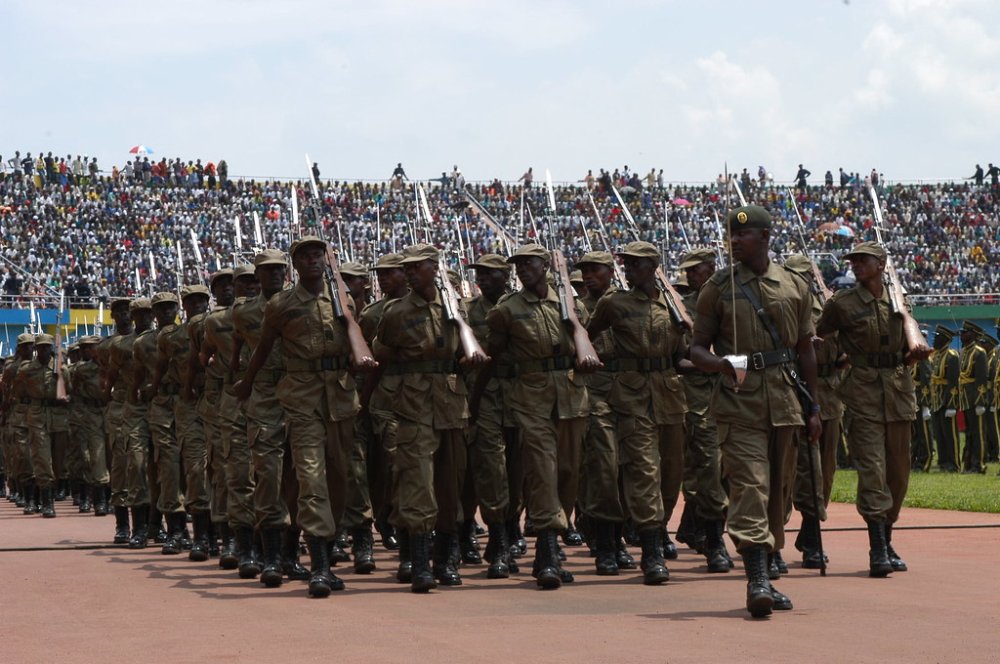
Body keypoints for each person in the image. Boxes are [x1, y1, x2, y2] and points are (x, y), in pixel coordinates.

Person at [690, 205, 820, 618]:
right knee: (750, 486)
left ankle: (768, 568)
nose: (733, 240)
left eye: (742, 234)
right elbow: (696, 348)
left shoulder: (794, 285)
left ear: (764, 237)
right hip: (738, 402)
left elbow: (805, 350)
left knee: (778, 492)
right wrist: (719, 365)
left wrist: (814, 406)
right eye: (730, 234)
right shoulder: (718, 287)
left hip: (784, 401)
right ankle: (757, 580)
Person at [235, 235, 375, 598]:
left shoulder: (343, 301)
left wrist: (358, 356)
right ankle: (319, 566)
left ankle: (327, 548)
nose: (312, 260)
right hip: (301, 398)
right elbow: (263, 347)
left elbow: (355, 337)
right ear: (294, 266)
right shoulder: (281, 304)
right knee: (311, 478)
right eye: (305, 256)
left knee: (340, 480)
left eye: (317, 255)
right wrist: (246, 384)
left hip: (340, 398)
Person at [484, 244, 599, 589]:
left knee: (568, 472)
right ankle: (546, 553)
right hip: (531, 400)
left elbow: (585, 337)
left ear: (545, 266)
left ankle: (553, 541)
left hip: (571, 397)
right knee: (542, 471)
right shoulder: (507, 310)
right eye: (518, 265)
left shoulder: (570, 305)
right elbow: (495, 355)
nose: (522, 269)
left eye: (528, 263)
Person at [373, 243, 486, 592]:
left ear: (434, 268)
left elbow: (467, 350)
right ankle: (420, 563)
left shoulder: (456, 307)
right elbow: (381, 351)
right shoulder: (396, 312)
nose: (409, 273)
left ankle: (446, 559)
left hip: (451, 405)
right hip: (414, 405)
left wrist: (468, 357)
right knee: (418, 483)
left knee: (450, 484)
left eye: (416, 267)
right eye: (406, 268)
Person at [817, 241, 930, 577]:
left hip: (898, 393)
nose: (855, 265)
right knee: (873, 470)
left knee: (899, 473)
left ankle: (888, 537)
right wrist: (834, 362)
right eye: (853, 261)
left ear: (881, 265)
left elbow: (908, 342)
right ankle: (877, 547)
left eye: (862, 260)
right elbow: (818, 334)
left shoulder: (899, 300)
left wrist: (914, 351)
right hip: (862, 394)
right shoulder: (842, 303)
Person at [587, 241, 688, 585]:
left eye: (635, 264)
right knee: (644, 471)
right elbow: (587, 335)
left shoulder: (672, 303)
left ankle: (657, 528)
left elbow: (682, 355)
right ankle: (651, 551)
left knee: (671, 475)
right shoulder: (614, 303)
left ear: (653, 267)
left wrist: (716, 366)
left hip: (669, 395)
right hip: (630, 397)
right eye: (625, 264)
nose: (628, 269)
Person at [231, 249, 310, 587]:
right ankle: (271, 556)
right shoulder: (243, 313)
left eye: (279, 269)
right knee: (268, 475)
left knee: (299, 477)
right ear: (257, 276)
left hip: (299, 391)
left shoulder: (300, 304)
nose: (275, 274)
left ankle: (291, 554)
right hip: (264, 396)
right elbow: (238, 355)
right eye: (268, 270)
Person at [784, 254, 844, 570]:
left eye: (805, 276)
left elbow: (844, 350)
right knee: (798, 470)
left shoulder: (827, 308)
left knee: (826, 471)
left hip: (829, 395)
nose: (801, 281)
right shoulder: (783, 308)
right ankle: (784, 536)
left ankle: (810, 533)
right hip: (792, 393)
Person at [675, 248, 732, 573]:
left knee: (733, 470)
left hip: (736, 395)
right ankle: (714, 540)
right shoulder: (683, 306)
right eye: (688, 271)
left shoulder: (733, 301)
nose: (689, 276)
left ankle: (694, 525)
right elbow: (676, 358)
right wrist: (709, 362)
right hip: (699, 399)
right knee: (709, 467)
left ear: (710, 268)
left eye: (695, 270)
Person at [464, 253, 519, 579]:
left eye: (489, 274)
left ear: (505, 276)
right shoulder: (468, 312)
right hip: (483, 395)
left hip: (523, 394)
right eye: (479, 274)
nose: (482, 279)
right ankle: (498, 540)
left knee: (519, 469)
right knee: (491, 466)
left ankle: (512, 529)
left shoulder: (520, 307)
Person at [957, 320, 989, 474]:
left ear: (973, 335)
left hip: (975, 399)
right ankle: (969, 464)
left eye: (965, 332)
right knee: (969, 433)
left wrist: (980, 402)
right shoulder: (964, 352)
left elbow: (982, 379)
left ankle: (979, 464)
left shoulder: (979, 352)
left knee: (978, 433)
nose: (962, 335)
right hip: (965, 398)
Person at [929, 325, 960, 472]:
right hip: (936, 399)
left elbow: (953, 382)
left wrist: (952, 405)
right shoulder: (937, 355)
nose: (934, 339)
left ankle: (953, 463)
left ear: (945, 339)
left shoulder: (952, 356)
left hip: (947, 400)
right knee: (940, 434)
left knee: (950, 434)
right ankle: (943, 461)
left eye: (937, 337)